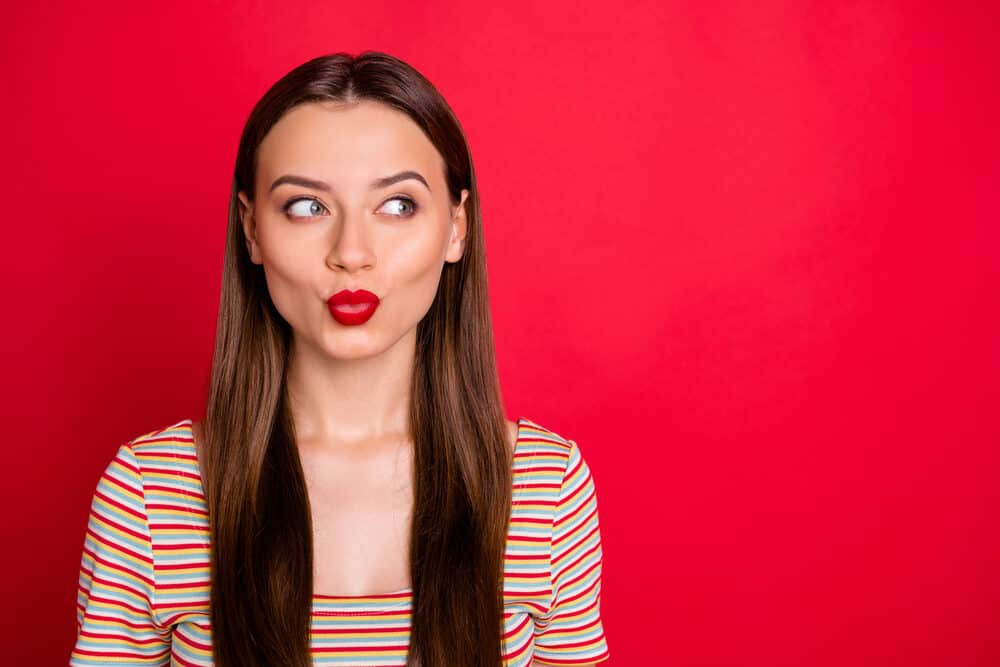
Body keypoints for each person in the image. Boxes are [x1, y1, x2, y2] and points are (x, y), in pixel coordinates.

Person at [70, 50, 609, 667]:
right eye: (307, 206)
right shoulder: (152, 492)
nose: (351, 253)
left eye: (398, 205)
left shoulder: (545, 487)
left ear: (456, 226)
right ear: (252, 230)